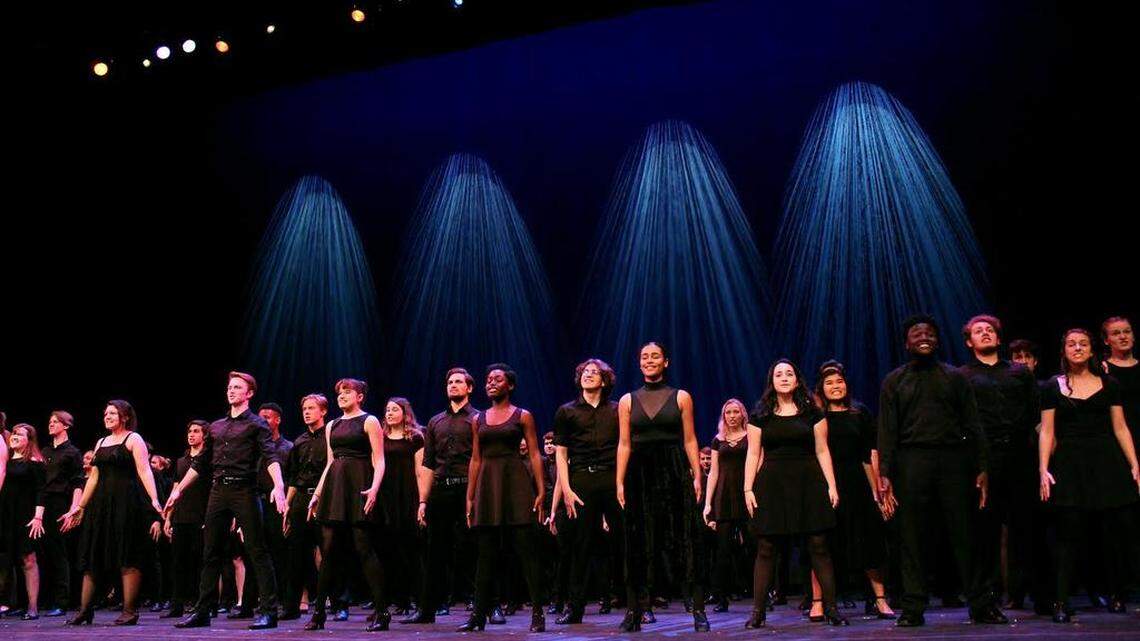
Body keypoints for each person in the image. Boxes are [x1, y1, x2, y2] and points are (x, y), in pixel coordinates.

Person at [877, 315, 1007, 627]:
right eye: (916, 334)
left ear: (938, 340)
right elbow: (887, 430)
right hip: (911, 461)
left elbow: (973, 423)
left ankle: (981, 604)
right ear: (907, 343)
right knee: (912, 537)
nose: (924, 337)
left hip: (954, 461)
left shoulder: (955, 377)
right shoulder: (895, 380)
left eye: (930, 333)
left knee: (965, 534)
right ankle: (913, 607)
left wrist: (982, 466)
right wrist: (885, 472)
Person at [166, 371, 289, 630]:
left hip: (245, 491)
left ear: (249, 393)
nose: (231, 391)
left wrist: (278, 485)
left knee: (257, 550)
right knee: (210, 551)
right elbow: (200, 463)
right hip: (218, 492)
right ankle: (203, 611)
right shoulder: (217, 426)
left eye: (237, 387)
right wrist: (179, 491)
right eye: (229, 387)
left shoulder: (257, 424)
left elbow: (270, 457)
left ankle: (269, 611)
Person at [1039, 328, 1140, 622]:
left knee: (1112, 534)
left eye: (1083, 343)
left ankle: (1117, 594)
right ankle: (1061, 601)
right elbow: (1048, 430)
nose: (1078, 348)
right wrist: (1043, 468)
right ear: (1064, 351)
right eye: (1071, 344)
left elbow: (1120, 427)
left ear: (1092, 350)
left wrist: (1134, 463)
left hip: (1107, 462)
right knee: (1068, 535)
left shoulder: (1109, 383)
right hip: (1070, 463)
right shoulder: (1052, 386)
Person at [743, 360, 846, 628]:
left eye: (789, 373)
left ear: (797, 380)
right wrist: (747, 488)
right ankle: (757, 612)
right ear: (772, 381)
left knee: (818, 545)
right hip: (772, 483)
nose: (784, 377)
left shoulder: (813, 413)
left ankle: (832, 608)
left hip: (809, 482)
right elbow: (753, 454)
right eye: (779, 374)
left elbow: (823, 450)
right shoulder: (760, 415)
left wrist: (831, 485)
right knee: (766, 547)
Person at [616, 342, 709, 632]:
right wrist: (618, 480)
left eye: (655, 356)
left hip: (674, 469)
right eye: (644, 356)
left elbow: (690, 439)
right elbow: (624, 443)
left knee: (685, 539)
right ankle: (634, 610)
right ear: (639, 363)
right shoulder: (627, 400)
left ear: (666, 362)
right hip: (639, 473)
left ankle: (697, 610)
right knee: (638, 542)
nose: (649, 360)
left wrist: (696, 475)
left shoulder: (681, 396)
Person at [958, 316, 1040, 609]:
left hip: (1020, 455)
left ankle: (1027, 591)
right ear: (969, 342)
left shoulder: (1019, 372)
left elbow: (1035, 414)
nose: (985, 334)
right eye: (978, 331)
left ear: (998, 338)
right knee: (986, 529)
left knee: (1026, 525)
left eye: (989, 330)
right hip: (984, 458)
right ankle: (989, 592)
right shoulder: (962, 375)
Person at [458, 364, 547, 632]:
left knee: (526, 552)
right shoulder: (478, 419)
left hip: (516, 483)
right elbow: (475, 459)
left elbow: (533, 453)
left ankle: (538, 614)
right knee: (485, 555)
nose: (491, 383)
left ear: (510, 385)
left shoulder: (522, 416)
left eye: (497, 379)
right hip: (487, 484)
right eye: (488, 379)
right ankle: (478, 616)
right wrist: (470, 496)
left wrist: (540, 490)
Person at [60, 400, 164, 626]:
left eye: (112, 413)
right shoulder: (101, 442)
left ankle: (129, 611)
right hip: (101, 506)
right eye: (105, 413)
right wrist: (81, 506)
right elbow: (94, 477)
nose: (107, 416)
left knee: (127, 554)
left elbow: (144, 471)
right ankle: (85, 610)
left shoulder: (133, 439)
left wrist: (154, 499)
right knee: (93, 555)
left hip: (127, 504)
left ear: (125, 416)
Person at [811, 361, 894, 618]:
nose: (835, 387)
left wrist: (878, 489)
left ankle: (880, 599)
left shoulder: (859, 413)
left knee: (869, 541)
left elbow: (869, 454)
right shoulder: (816, 417)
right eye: (829, 383)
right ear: (821, 388)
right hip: (825, 483)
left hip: (857, 483)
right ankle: (818, 601)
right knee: (821, 543)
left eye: (839, 382)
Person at [304, 378, 389, 631]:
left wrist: (374, 488)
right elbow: (330, 462)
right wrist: (317, 494)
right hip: (335, 488)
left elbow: (379, 459)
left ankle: (382, 612)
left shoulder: (370, 421)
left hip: (359, 484)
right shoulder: (333, 425)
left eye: (347, 392)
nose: (342, 395)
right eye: (339, 392)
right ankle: (319, 613)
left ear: (360, 396)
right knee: (328, 551)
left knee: (364, 548)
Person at [403, 368, 479, 624]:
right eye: (449, 382)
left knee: (476, 549)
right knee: (435, 552)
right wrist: (423, 500)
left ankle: (488, 606)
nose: (453, 385)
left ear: (469, 388)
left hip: (469, 489)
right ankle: (427, 610)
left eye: (458, 382)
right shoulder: (435, 422)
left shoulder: (479, 419)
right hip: (442, 489)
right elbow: (428, 465)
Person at [552, 358, 623, 625]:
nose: (588, 375)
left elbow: (624, 447)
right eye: (585, 372)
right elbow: (561, 453)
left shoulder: (617, 410)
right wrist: (567, 489)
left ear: (604, 381)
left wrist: (622, 484)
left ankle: (639, 605)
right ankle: (575, 608)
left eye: (595, 373)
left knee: (625, 543)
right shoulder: (566, 411)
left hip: (612, 479)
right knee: (579, 547)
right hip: (582, 480)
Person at [378, 397, 428, 616]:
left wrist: (422, 501)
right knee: (389, 549)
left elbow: (420, 470)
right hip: (386, 496)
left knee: (411, 549)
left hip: (407, 495)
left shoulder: (415, 438)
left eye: (394, 409)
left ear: (405, 412)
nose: (389, 413)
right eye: (387, 409)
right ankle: (398, 599)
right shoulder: (380, 437)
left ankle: (419, 599)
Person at [281, 394, 328, 620]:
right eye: (304, 409)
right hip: (300, 498)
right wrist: (287, 506)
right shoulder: (298, 442)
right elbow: (293, 477)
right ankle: (291, 607)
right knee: (296, 555)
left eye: (311, 408)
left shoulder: (331, 437)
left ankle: (337, 604)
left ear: (323, 411)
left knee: (329, 552)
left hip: (324, 500)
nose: (307, 412)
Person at [702, 399, 750, 614]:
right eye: (728, 412)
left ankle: (763, 594)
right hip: (724, 497)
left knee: (754, 545)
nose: (731, 415)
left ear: (742, 414)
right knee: (722, 551)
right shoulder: (717, 440)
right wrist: (707, 503)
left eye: (735, 412)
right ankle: (722, 598)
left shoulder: (750, 437)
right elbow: (713, 472)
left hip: (745, 494)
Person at [163, 421, 211, 619]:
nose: (191, 434)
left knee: (201, 562)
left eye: (196, 431)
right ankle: (177, 605)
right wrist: (168, 518)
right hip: (181, 517)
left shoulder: (208, 459)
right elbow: (176, 489)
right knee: (178, 563)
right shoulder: (181, 461)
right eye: (189, 431)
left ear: (205, 435)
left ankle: (203, 604)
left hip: (200, 516)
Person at [39, 411, 84, 617]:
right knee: (43, 552)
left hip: (60, 503)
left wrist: (73, 510)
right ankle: (44, 600)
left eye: (55, 422)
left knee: (60, 553)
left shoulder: (72, 452)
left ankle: (63, 601)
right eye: (49, 422)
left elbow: (77, 483)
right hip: (42, 504)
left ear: (66, 426)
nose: (51, 424)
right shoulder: (45, 450)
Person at [0, 424, 47, 620]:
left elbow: (41, 491)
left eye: (20, 434)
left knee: (28, 560)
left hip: (25, 517)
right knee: (4, 560)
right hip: (5, 516)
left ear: (29, 439)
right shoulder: (7, 462)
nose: (15, 436)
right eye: (14, 433)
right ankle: (6, 603)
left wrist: (38, 517)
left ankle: (33, 607)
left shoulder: (34, 462)